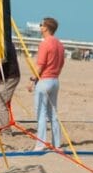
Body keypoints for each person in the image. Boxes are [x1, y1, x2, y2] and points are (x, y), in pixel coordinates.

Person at [27, 17, 65, 150]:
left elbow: (40, 66)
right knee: (53, 113)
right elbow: (61, 64)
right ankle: (57, 143)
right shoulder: (59, 44)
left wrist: (32, 81)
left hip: (45, 81)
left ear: (46, 28)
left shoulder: (45, 43)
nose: (40, 27)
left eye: (41, 25)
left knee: (41, 113)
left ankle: (40, 144)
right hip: (55, 81)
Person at [0, 44, 21, 130]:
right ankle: (5, 126)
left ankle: (6, 130)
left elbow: (0, 60)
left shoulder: (2, 43)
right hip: (8, 77)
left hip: (10, 77)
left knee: (0, 103)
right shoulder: (5, 41)